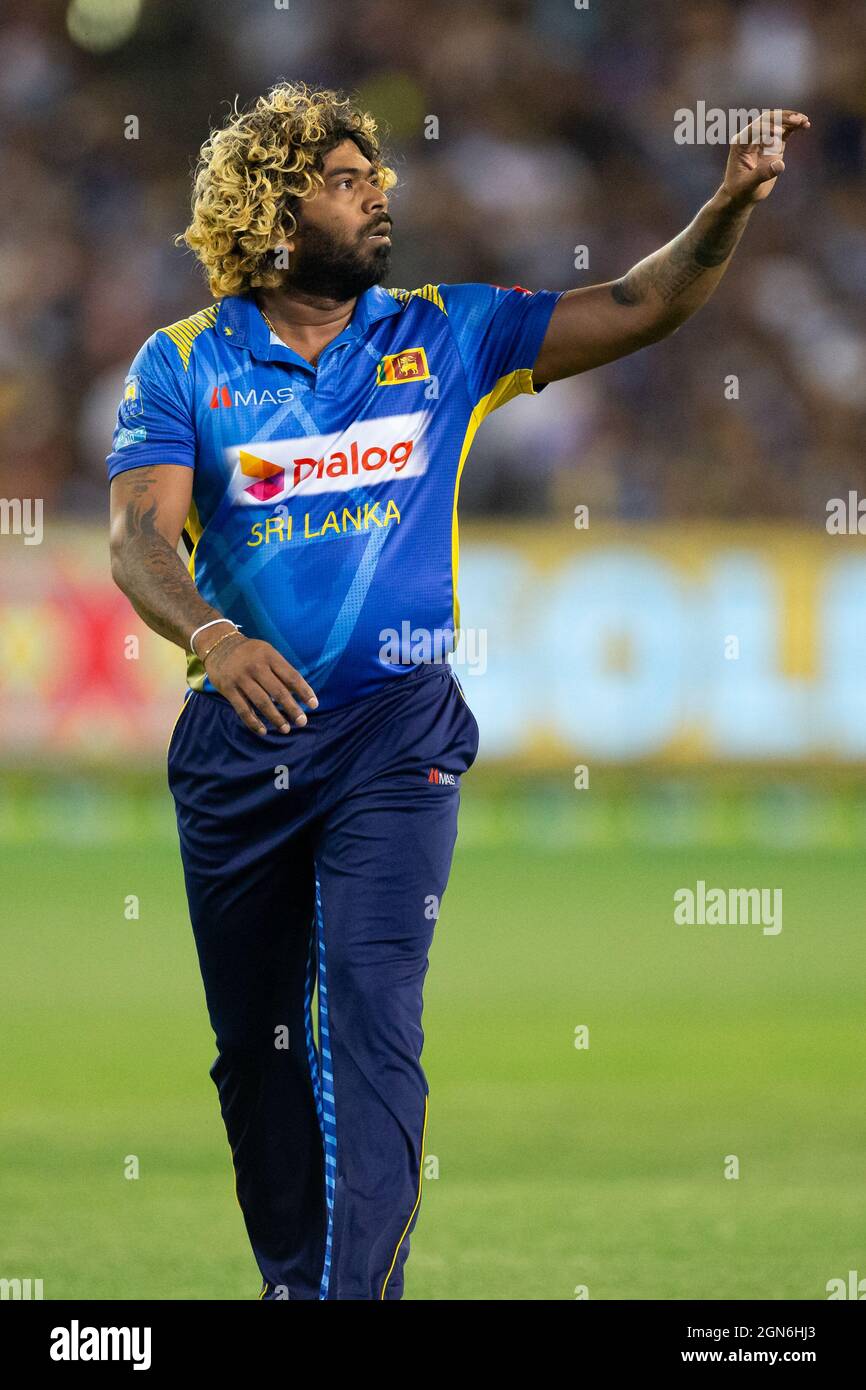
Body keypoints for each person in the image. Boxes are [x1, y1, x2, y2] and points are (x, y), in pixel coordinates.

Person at [107, 82, 809, 1300]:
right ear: (272, 214)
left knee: (374, 1017)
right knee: (258, 1055)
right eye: (342, 178)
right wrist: (215, 637)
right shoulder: (182, 365)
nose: (377, 191)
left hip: (397, 733)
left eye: (376, 173)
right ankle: (295, 1281)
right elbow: (135, 539)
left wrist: (725, 208)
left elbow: (638, 305)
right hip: (242, 744)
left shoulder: (448, 333)